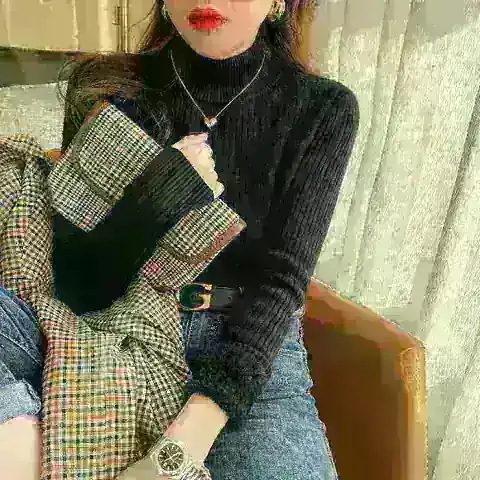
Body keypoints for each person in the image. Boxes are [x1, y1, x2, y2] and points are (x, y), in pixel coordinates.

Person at [1, 0, 359, 478]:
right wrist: (158, 197)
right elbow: (76, 286)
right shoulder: (107, 86)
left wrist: (185, 441)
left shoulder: (322, 108)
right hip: (114, 329)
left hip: (242, 345)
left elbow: (281, 284)